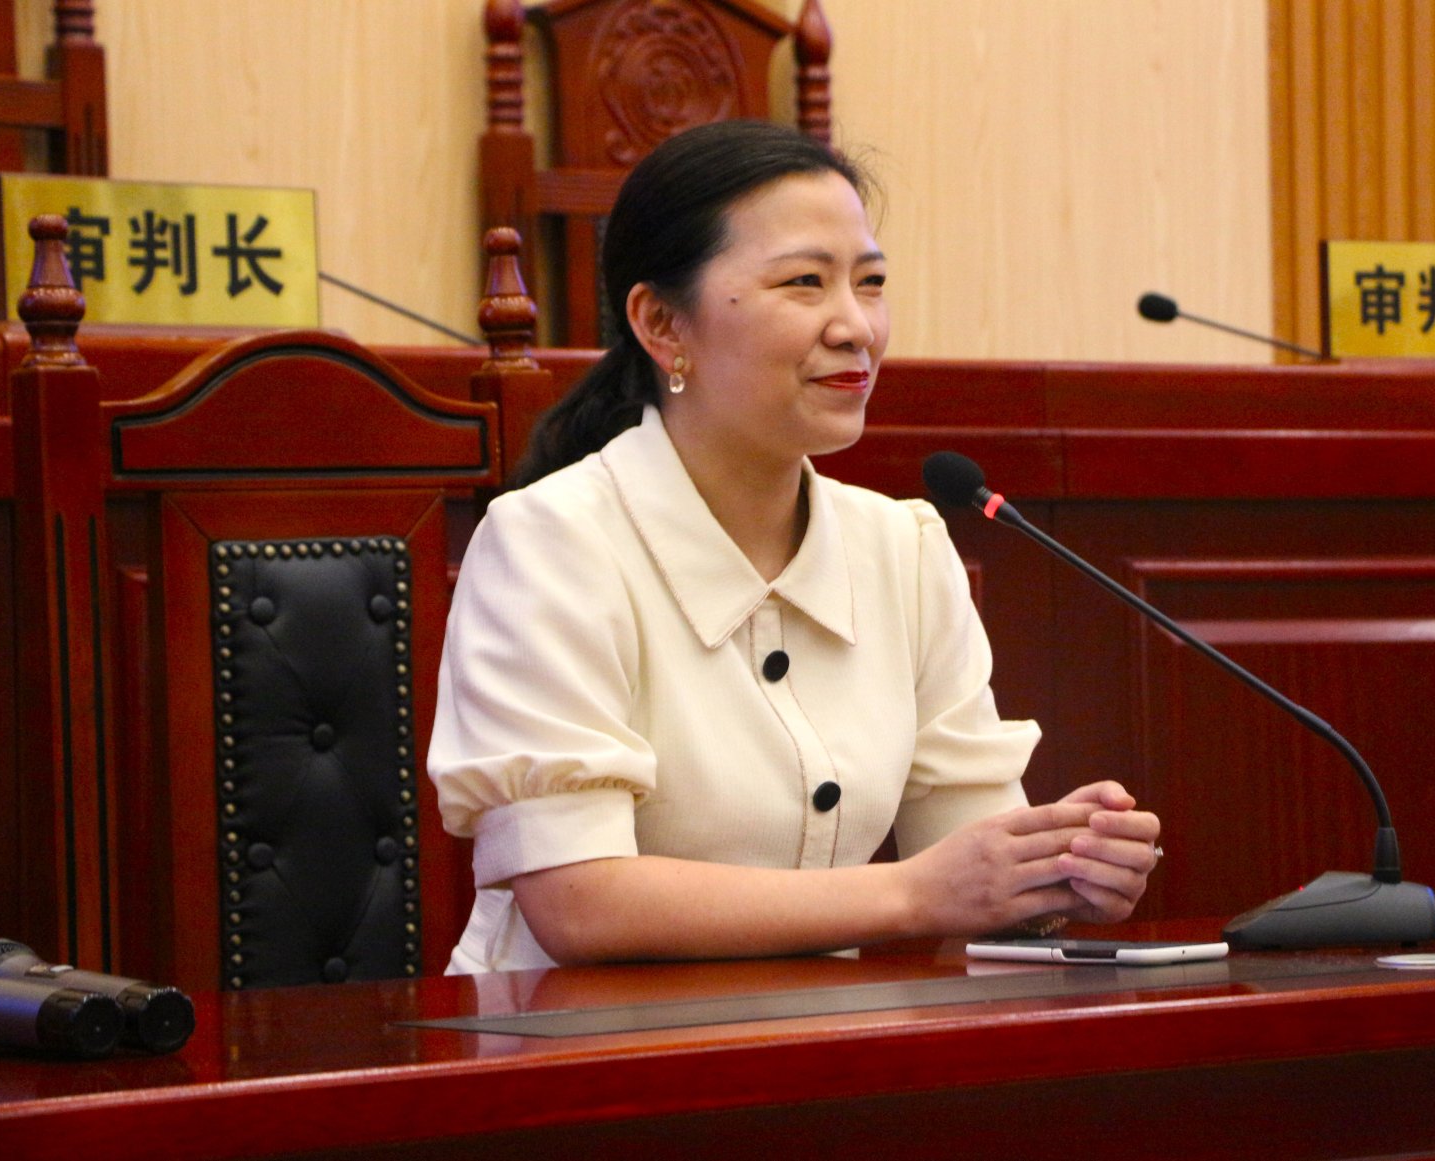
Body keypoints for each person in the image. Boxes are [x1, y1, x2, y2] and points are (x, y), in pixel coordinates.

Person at [429, 119, 1161, 972]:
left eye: (871, 282)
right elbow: (579, 904)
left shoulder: (903, 549)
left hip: (813, 1032)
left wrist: (1055, 869)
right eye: (805, 283)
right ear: (662, 323)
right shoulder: (549, 544)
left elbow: (972, 871)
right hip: (568, 1036)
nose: (856, 326)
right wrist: (914, 892)